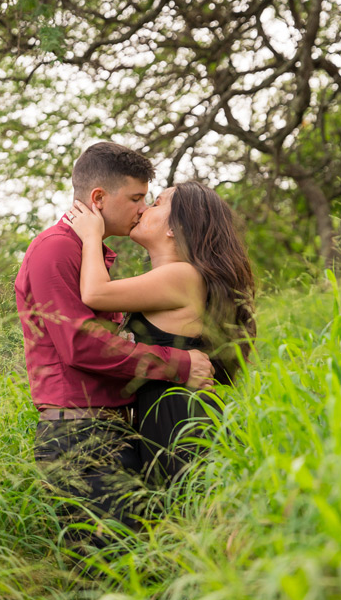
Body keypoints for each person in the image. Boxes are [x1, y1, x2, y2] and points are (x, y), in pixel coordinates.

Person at [14, 142, 215, 537]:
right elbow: (81, 346)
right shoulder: (56, 250)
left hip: (115, 432)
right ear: (99, 198)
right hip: (82, 437)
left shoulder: (93, 257)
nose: (142, 208)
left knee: (140, 570)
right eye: (137, 198)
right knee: (109, 576)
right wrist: (180, 365)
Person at [69, 180, 256, 482]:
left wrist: (92, 237)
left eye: (156, 203)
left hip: (181, 418)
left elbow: (95, 293)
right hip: (168, 418)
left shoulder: (182, 275)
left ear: (175, 229)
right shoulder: (172, 278)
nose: (143, 209)